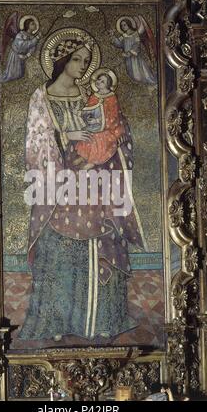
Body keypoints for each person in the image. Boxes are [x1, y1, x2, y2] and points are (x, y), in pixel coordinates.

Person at [19, 28, 147, 342]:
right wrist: (67, 137)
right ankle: (58, 322)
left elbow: (115, 127)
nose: (82, 67)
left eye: (87, 61)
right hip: (60, 184)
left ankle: (103, 320)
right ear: (62, 60)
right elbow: (35, 143)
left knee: (103, 240)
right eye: (77, 59)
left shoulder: (90, 94)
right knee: (62, 248)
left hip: (95, 177)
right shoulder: (42, 97)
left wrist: (106, 146)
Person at [74, 68, 125, 170]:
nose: (99, 82)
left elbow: (113, 116)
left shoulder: (112, 97)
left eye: (102, 81)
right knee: (88, 133)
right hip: (94, 124)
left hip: (108, 127)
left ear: (108, 85)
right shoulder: (94, 96)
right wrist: (82, 113)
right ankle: (84, 155)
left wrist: (98, 121)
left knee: (99, 137)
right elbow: (89, 108)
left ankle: (93, 160)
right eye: (98, 79)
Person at [111, 16, 157, 85]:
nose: (123, 27)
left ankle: (146, 82)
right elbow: (119, 44)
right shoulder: (123, 35)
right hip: (128, 58)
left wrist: (130, 52)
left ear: (129, 24)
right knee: (131, 72)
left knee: (139, 72)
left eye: (124, 25)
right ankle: (138, 84)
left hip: (135, 57)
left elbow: (137, 44)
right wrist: (113, 37)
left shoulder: (135, 34)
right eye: (121, 26)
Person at [1, 17, 41, 83]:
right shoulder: (21, 34)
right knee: (12, 75)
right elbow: (23, 45)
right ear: (28, 25)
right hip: (15, 55)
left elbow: (32, 48)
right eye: (32, 24)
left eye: (35, 24)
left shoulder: (32, 37)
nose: (35, 25)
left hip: (22, 57)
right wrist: (36, 38)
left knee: (20, 75)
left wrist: (26, 56)